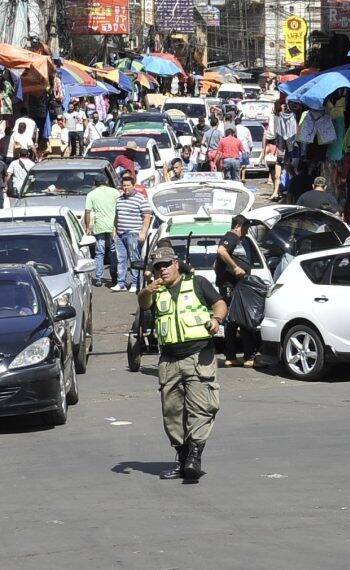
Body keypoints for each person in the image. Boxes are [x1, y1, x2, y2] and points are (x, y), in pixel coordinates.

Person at [137, 246, 226, 481]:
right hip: (169, 359)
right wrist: (147, 289)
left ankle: (194, 458)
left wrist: (216, 320)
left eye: (166, 265)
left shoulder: (198, 283)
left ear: (176, 264)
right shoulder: (154, 291)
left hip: (198, 355)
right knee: (172, 412)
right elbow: (143, 303)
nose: (162, 270)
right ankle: (183, 455)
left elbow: (220, 303)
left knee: (201, 408)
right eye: (158, 267)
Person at [214, 215, 260, 367]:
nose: (247, 231)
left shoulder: (237, 240)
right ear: (238, 226)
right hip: (233, 286)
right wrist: (235, 268)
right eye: (246, 227)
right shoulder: (232, 236)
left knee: (233, 321)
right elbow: (221, 251)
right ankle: (248, 357)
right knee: (242, 319)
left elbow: (216, 263)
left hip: (234, 285)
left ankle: (232, 356)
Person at [112, 175, 152, 293]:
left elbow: (147, 216)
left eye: (128, 185)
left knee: (134, 260)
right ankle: (121, 283)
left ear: (133, 186)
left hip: (133, 233)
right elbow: (116, 217)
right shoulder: (119, 200)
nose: (126, 188)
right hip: (120, 234)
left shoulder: (140, 199)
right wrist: (114, 231)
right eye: (124, 186)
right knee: (121, 259)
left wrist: (143, 233)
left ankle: (135, 283)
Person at [84, 176, 119, 287]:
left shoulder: (91, 194)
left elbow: (87, 212)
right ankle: (114, 275)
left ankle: (99, 278)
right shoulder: (115, 192)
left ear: (95, 183)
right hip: (113, 225)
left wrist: (88, 227)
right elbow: (119, 208)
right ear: (106, 182)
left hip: (99, 226)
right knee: (113, 251)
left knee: (100, 252)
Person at [264, 134, 281, 201]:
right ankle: (278, 191)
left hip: (271, 163)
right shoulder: (278, 146)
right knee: (277, 177)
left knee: (274, 178)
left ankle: (275, 191)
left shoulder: (269, 145)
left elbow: (266, 153)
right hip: (277, 162)